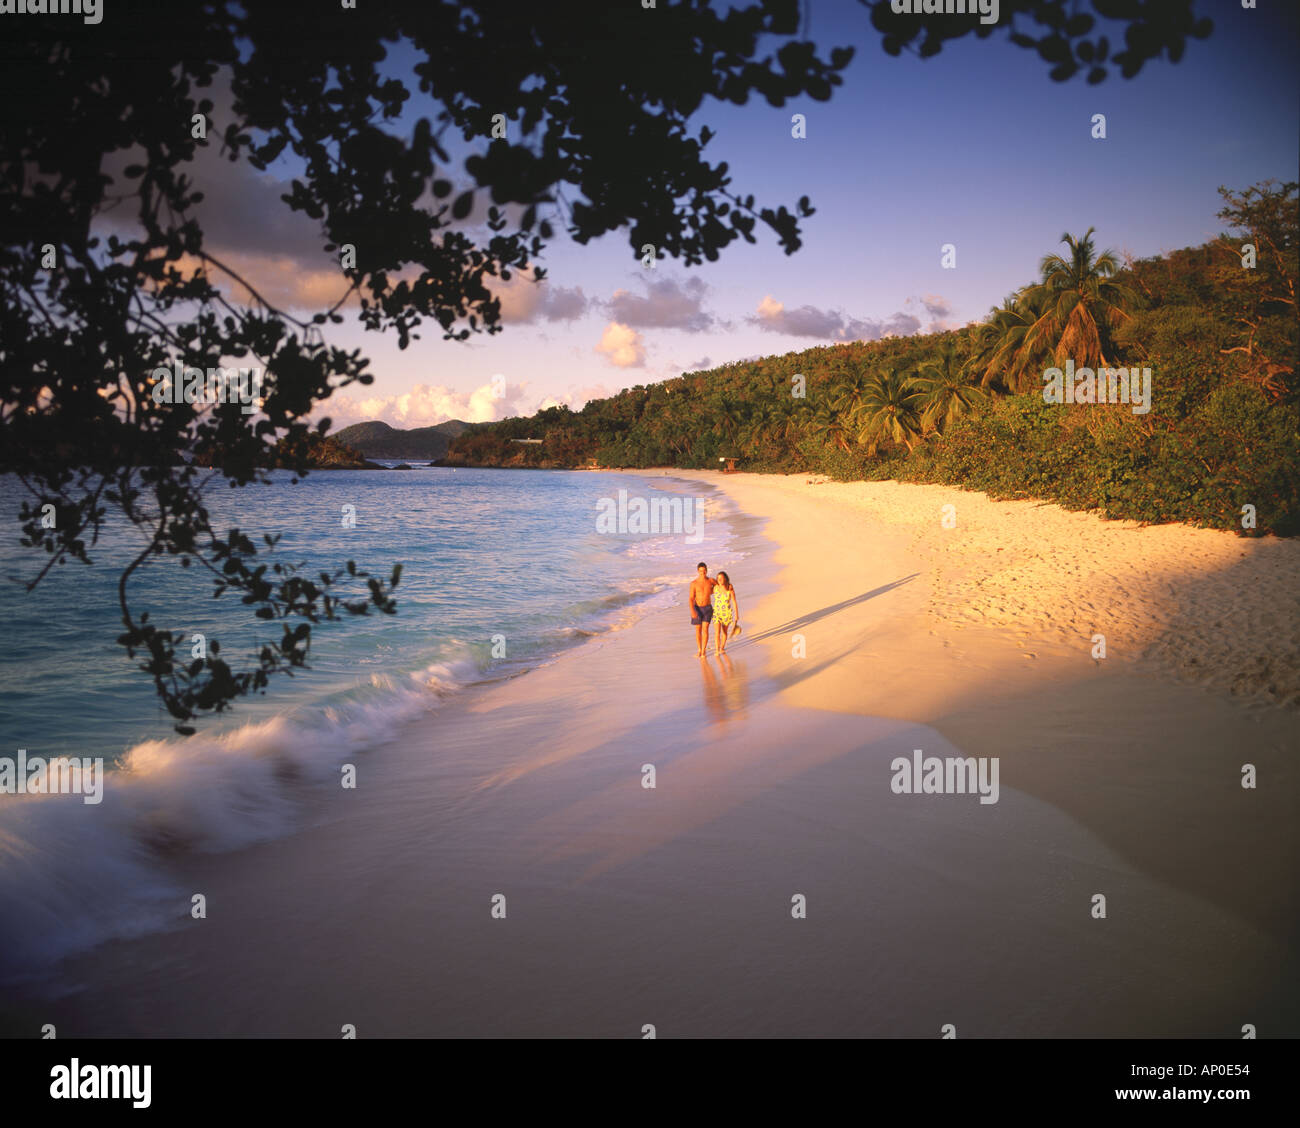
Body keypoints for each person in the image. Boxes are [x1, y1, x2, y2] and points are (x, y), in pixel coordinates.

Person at [688, 562, 715, 657]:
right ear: (698, 571)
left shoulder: (711, 581)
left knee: (705, 629)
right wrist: (692, 611)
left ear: (706, 571)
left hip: (708, 608)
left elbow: (718, 586)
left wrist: (711, 591)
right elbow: (691, 598)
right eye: (700, 571)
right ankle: (699, 649)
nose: (702, 573)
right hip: (697, 608)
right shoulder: (694, 583)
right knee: (698, 630)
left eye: (704, 571)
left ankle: (703, 651)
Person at [711, 570, 740, 654]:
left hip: (726, 613)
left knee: (724, 632)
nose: (719, 580)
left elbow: (734, 601)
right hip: (716, 613)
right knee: (717, 632)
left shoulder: (729, 587)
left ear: (725, 579)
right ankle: (717, 650)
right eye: (718, 578)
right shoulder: (715, 588)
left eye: (721, 578)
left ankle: (722, 648)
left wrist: (736, 615)